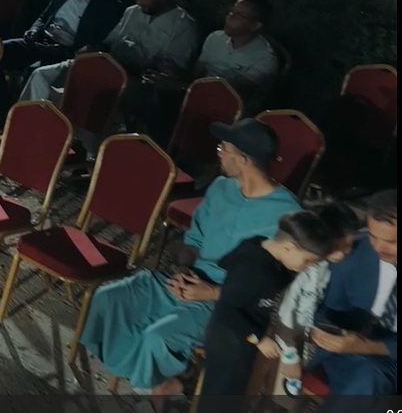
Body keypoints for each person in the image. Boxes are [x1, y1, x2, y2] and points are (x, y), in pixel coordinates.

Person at [79, 117, 300, 394]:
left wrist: (211, 292)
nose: (219, 153)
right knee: (108, 298)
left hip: (226, 301)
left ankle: (159, 387)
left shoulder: (287, 214)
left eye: (223, 148)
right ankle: (152, 376)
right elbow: (194, 239)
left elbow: (273, 286)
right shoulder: (221, 187)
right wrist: (182, 269)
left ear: (243, 160)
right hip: (189, 279)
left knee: (157, 338)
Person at [198, 204, 359, 400]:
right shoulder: (261, 269)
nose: (307, 267)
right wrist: (260, 339)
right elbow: (230, 309)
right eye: (308, 261)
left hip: (250, 339)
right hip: (239, 340)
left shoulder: (274, 260)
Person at [20, 0, 200, 116]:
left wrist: (137, 66)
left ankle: (58, 133)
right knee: (41, 75)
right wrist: (93, 49)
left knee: (71, 95)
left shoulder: (183, 25)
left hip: (133, 80)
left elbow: (171, 69)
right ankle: (24, 123)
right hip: (104, 63)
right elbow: (110, 41)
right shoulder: (132, 12)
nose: (139, 2)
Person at [279, 190, 398, 403]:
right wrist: (326, 330)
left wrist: (366, 346)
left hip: (387, 357)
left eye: (391, 241)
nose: (378, 247)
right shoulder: (353, 250)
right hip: (344, 349)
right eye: (373, 236)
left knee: (371, 376)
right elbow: (326, 306)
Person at [144, 0, 281, 120]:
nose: (230, 17)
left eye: (240, 16)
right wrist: (174, 73)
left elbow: (230, 93)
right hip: (198, 94)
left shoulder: (265, 58)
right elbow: (198, 74)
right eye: (231, 12)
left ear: (255, 25)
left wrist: (179, 86)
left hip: (232, 110)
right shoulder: (215, 38)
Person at [0, 0, 126, 78]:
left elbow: (97, 43)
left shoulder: (108, 5)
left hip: (63, 52)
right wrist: (34, 30)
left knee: (34, 73)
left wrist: (67, 51)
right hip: (40, 40)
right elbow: (44, 17)